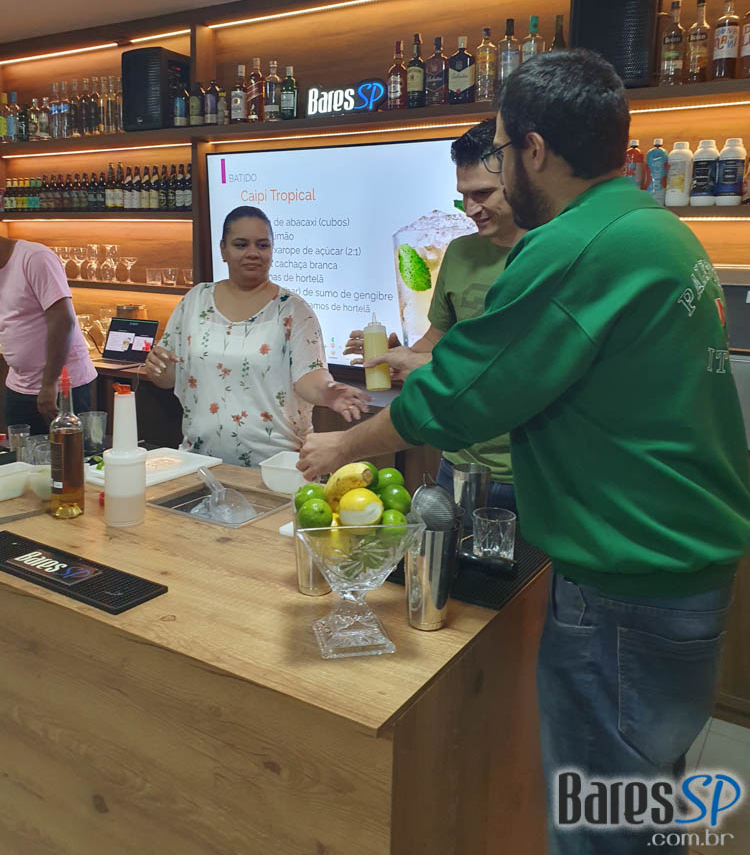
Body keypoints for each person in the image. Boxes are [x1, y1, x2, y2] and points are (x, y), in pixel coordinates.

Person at [298, 50, 750, 853]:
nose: (499, 177)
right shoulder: (654, 228)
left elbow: (459, 397)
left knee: (602, 829)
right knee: (644, 806)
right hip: (679, 573)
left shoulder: (575, 247)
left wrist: (343, 447)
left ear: (534, 150)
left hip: (625, 587)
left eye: (503, 152)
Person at [344, 118, 523, 511]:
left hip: (528, 473)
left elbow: (520, 370)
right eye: (464, 195)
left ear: (518, 178)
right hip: (457, 461)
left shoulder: (548, 255)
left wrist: (418, 363)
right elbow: (435, 342)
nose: (471, 209)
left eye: (483, 193)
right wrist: (397, 356)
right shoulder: (459, 252)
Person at [143, 206, 370, 467]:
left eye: (262, 245)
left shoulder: (292, 309)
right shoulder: (196, 301)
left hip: (277, 467)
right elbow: (168, 377)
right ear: (223, 250)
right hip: (200, 463)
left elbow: (310, 377)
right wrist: (158, 369)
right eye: (241, 245)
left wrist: (330, 392)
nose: (253, 253)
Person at [0, 236, 95, 434]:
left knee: (69, 452)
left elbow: (63, 321)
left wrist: (50, 383)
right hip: (18, 385)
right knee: (20, 452)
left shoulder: (35, 258)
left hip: (61, 386)